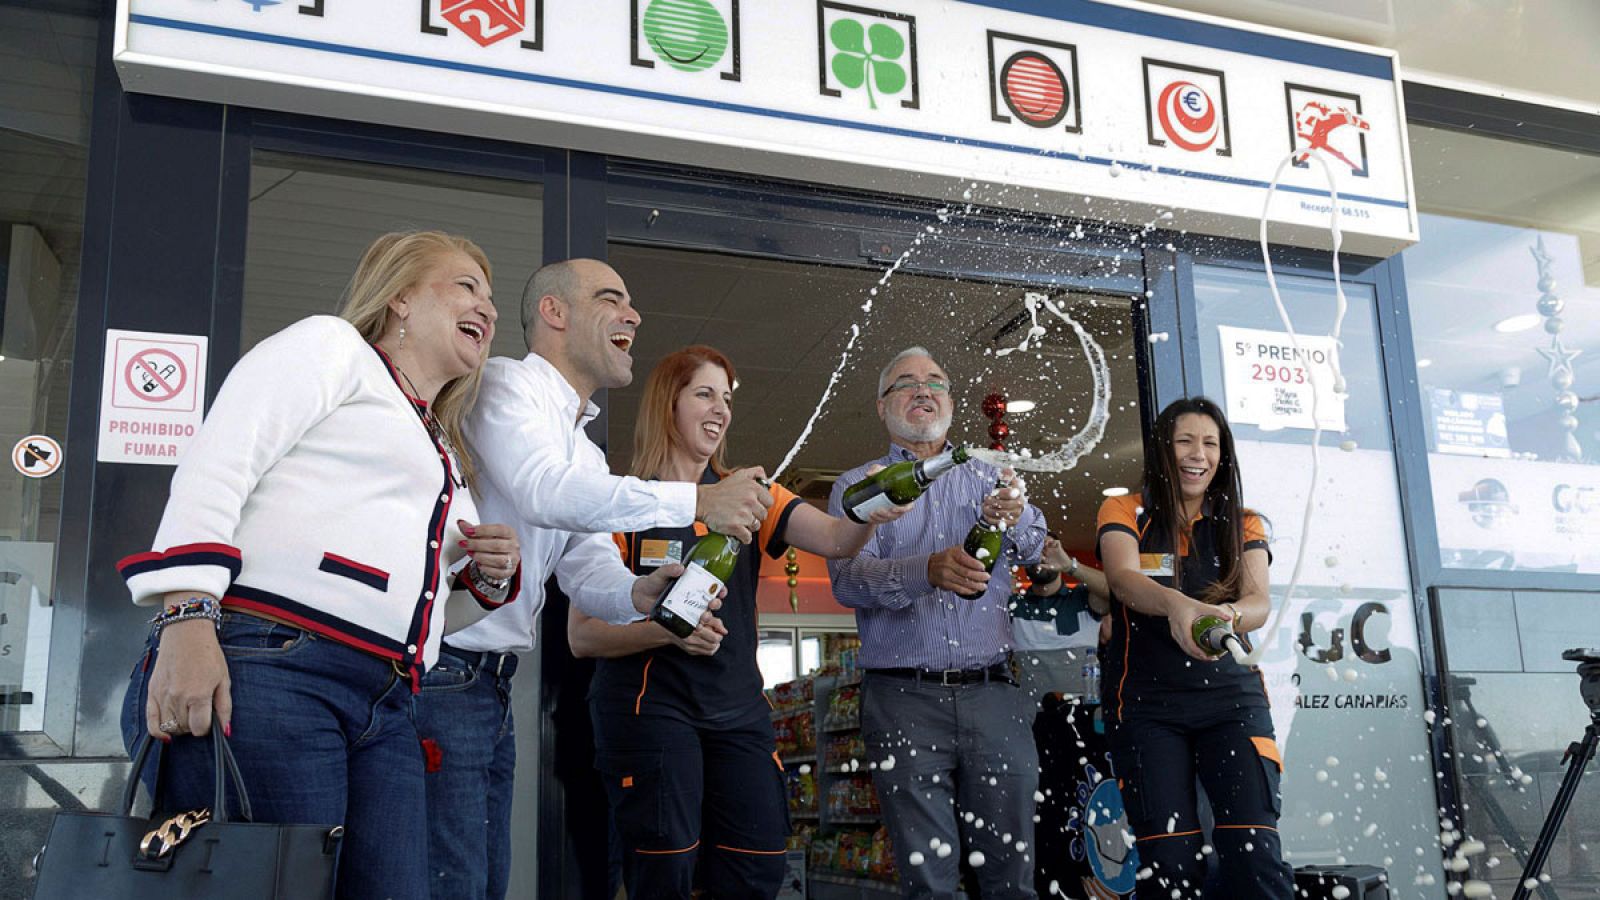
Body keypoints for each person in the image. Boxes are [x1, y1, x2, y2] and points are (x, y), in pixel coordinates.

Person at [118, 231, 524, 900]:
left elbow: (428, 615)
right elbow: (218, 465)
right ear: (398, 297)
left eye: (491, 296)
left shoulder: (439, 446)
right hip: (275, 667)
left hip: (387, 696)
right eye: (465, 286)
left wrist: (488, 578)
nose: (487, 306)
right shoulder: (331, 348)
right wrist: (186, 620)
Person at [415, 260, 773, 900]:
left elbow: (587, 570)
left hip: (489, 681)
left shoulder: (582, 450)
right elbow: (544, 492)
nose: (633, 315)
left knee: (479, 875)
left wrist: (643, 593)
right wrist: (694, 504)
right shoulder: (504, 385)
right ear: (555, 313)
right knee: (454, 876)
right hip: (442, 671)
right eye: (612, 298)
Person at [570, 345, 909, 900]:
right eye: (705, 393)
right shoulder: (624, 503)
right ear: (667, 404)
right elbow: (581, 635)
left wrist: (871, 510)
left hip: (737, 714)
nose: (721, 409)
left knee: (758, 868)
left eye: (726, 399)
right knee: (666, 871)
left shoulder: (755, 496)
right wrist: (669, 628)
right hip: (650, 712)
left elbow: (837, 540)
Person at [827, 346, 1046, 900]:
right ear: (882, 407)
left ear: (950, 401)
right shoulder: (860, 486)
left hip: (994, 694)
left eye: (936, 381)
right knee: (928, 880)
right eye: (904, 382)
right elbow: (847, 581)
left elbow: (1034, 547)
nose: (923, 389)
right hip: (902, 698)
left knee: (1012, 874)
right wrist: (925, 570)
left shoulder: (991, 474)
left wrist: (1015, 515)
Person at [1095, 396, 1293, 899]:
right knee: (1170, 861)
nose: (1197, 454)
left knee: (1255, 852)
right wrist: (1177, 605)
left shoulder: (1244, 521)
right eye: (1185, 440)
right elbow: (1121, 578)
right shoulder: (1124, 510)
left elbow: (1257, 602)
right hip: (1146, 707)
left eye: (1210, 443)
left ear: (1222, 455)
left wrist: (1224, 616)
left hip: (1232, 701)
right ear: (1164, 448)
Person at [1010, 534, 1110, 704]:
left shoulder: (1083, 597)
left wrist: (1070, 565)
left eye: (1049, 547)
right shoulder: (1013, 605)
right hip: (1028, 716)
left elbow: (1116, 591)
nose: (1041, 556)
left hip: (1081, 713)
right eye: (1033, 550)